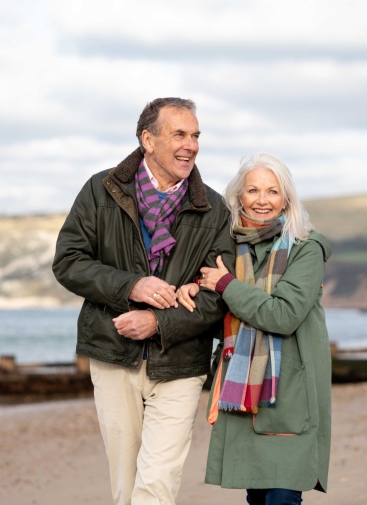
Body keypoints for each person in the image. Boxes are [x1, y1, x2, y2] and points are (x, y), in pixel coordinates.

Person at [52, 97, 235, 505]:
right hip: (113, 353)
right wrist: (130, 286)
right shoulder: (100, 191)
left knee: (157, 482)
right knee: (126, 483)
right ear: (147, 140)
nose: (191, 145)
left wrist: (159, 323)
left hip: (181, 362)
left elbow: (220, 293)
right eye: (180, 134)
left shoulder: (215, 209)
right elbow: (68, 262)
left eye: (196, 135)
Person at [176, 153, 332, 505]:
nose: (263, 200)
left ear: (286, 199)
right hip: (246, 395)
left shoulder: (307, 249)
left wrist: (226, 285)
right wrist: (195, 289)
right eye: (253, 190)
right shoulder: (230, 250)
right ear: (239, 197)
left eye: (273, 191)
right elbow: (223, 318)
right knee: (259, 498)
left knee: (281, 496)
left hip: (288, 391)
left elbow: (283, 314)